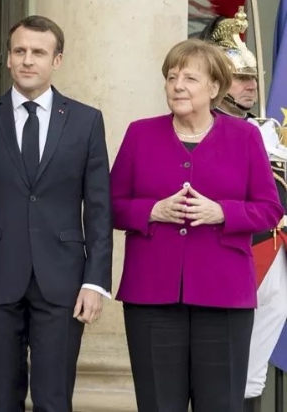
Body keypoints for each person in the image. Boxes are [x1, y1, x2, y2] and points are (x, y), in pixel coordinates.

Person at [111, 38, 284, 411]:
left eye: (190, 78)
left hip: (224, 297)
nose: (178, 86)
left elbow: (270, 209)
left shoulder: (246, 137)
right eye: (172, 77)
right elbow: (110, 206)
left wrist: (223, 212)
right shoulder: (140, 134)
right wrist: (153, 210)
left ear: (215, 87)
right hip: (151, 296)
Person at [0, 15, 113, 412]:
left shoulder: (86, 121)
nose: (28, 60)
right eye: (20, 51)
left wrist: (95, 282)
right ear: (9, 58)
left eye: (38, 52)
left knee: (54, 399)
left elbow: (99, 208)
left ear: (56, 60)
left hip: (63, 281)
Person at [200, 0, 287, 412]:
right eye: (241, 78)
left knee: (254, 374)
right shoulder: (206, 130)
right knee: (223, 369)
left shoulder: (269, 129)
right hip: (237, 254)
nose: (251, 86)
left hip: (277, 252)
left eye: (253, 77)